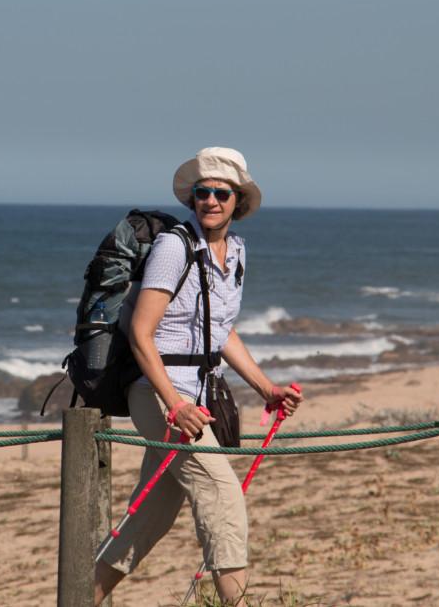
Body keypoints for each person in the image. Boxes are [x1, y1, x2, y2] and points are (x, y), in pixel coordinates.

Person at [93, 147, 304, 606]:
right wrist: (175, 405)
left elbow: (220, 330)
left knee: (149, 517)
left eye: (220, 193)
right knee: (223, 494)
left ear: (238, 201)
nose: (210, 200)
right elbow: (143, 335)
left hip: (195, 399)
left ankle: (79, 595)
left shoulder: (237, 252)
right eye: (201, 192)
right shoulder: (175, 246)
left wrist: (266, 388)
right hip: (157, 393)